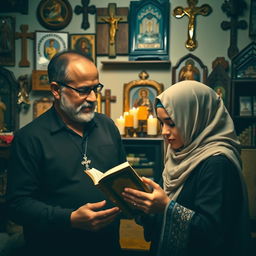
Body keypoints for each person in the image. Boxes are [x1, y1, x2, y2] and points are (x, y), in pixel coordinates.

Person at [6, 50, 127, 256]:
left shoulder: (107, 126)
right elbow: (17, 205)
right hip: (54, 248)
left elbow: (122, 178)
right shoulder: (30, 138)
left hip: (107, 246)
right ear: (56, 89)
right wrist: (69, 219)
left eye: (95, 88)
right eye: (83, 90)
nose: (93, 98)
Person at [122, 80, 252, 256]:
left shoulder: (217, 164)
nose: (164, 132)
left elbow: (213, 234)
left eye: (171, 123)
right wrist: (143, 207)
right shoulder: (179, 154)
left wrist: (166, 207)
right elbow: (161, 219)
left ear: (195, 118)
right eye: (161, 123)